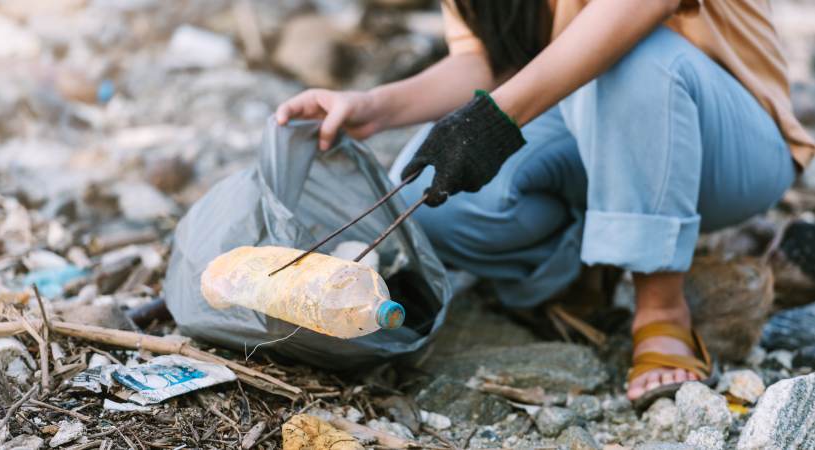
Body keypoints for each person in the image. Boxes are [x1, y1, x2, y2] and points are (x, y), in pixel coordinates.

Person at [275, 0, 815, 408]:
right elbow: (483, 60)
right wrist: (374, 105)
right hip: (590, 122)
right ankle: (585, 266)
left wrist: (494, 121)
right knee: (427, 201)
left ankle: (661, 308)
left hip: (731, 146)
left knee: (632, 51)